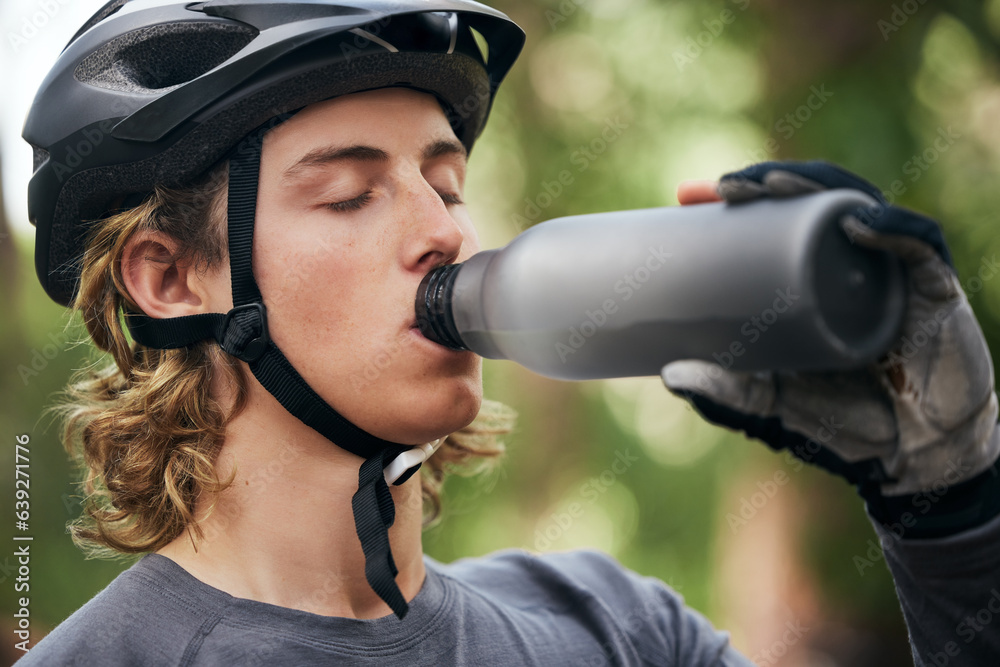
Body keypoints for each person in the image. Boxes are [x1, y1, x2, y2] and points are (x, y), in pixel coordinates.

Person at [18, 0, 1000, 665]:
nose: (446, 229)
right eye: (352, 194)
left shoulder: (615, 627)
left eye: (445, 183)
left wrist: (948, 511)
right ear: (170, 276)